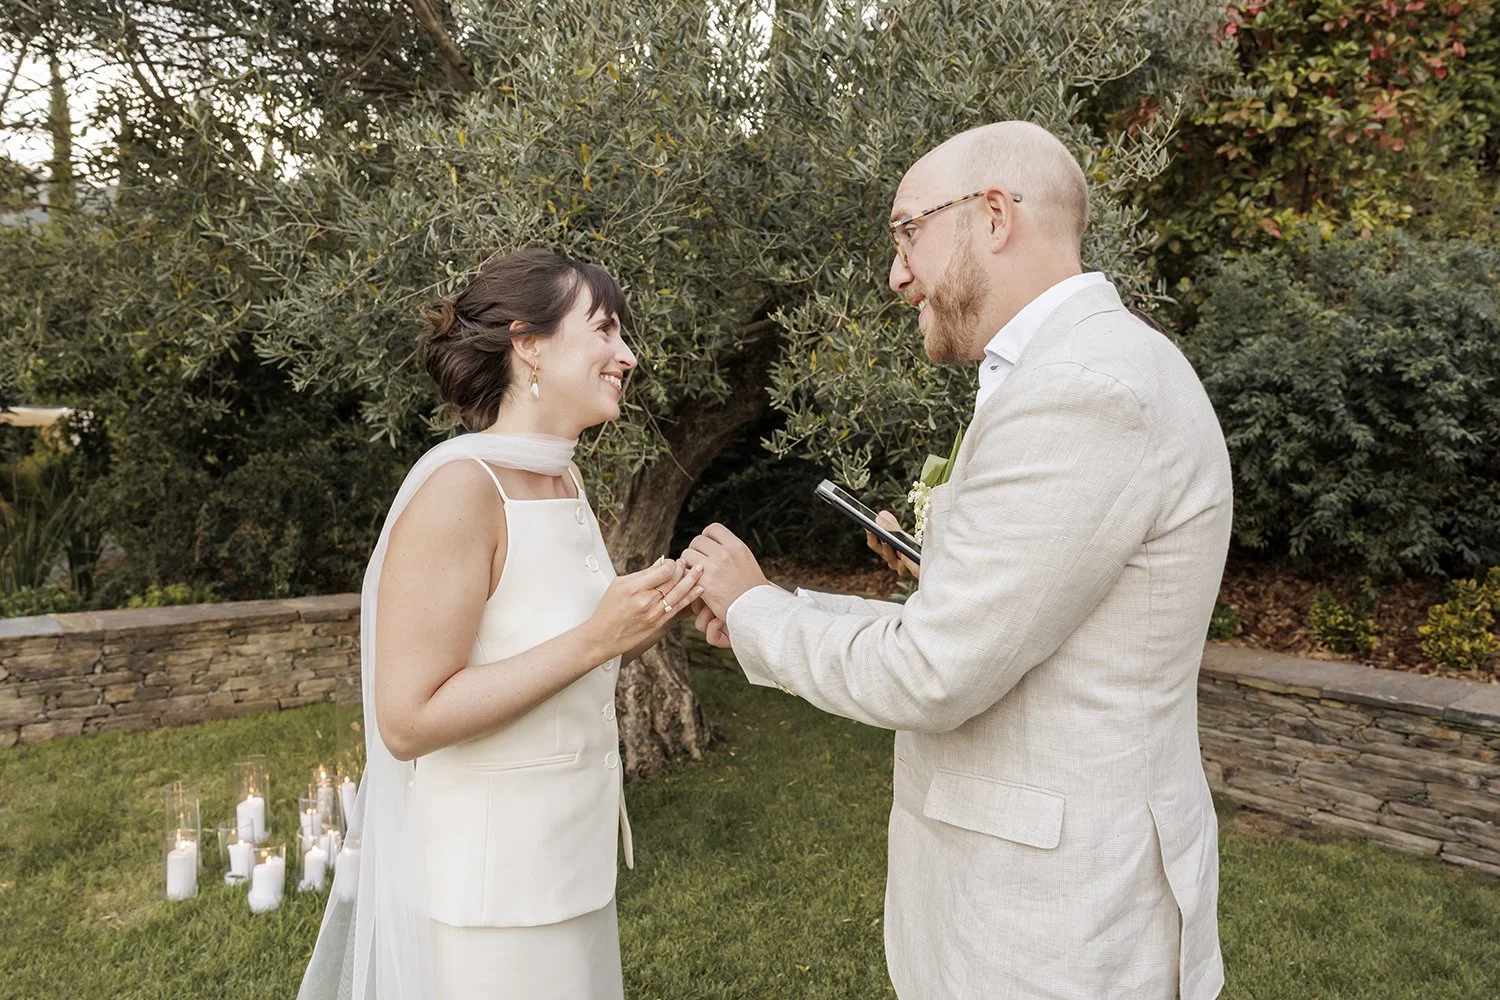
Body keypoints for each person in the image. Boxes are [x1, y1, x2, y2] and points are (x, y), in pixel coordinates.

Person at [684, 122, 1233, 999]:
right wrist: (782, 604)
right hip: (1037, 905)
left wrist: (757, 613)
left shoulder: (1083, 388)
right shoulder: (1076, 367)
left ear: (992, 215)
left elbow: (935, 671)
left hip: (1051, 930)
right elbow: (975, 626)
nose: (897, 272)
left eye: (907, 232)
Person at [298, 249, 703, 1000]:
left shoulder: (561, 473)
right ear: (530, 343)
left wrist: (635, 625)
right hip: (492, 901)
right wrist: (594, 639)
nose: (629, 355)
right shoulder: (462, 488)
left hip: (573, 869)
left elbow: (552, 645)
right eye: (606, 330)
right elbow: (409, 718)